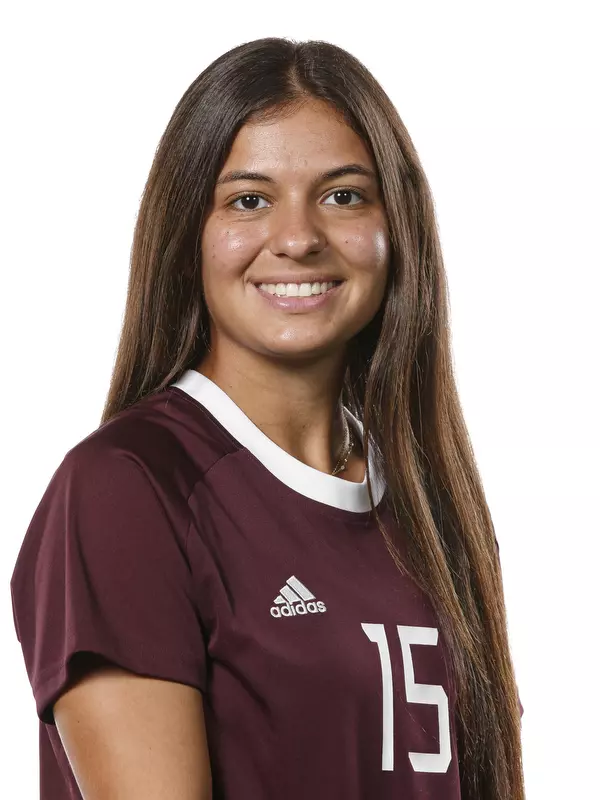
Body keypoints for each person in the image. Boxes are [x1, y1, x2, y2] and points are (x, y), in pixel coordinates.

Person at [9, 36, 525, 800]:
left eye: (344, 194)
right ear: (189, 235)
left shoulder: (424, 502)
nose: (297, 238)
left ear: (397, 227)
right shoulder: (128, 490)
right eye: (249, 199)